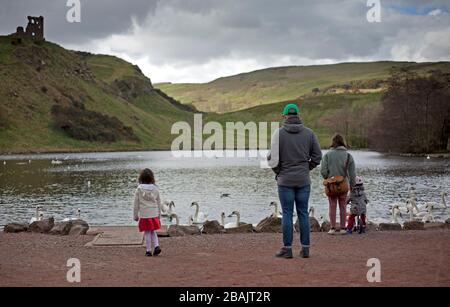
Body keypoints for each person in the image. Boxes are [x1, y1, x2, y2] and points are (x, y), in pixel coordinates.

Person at [268, 103, 322, 259]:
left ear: (285, 116)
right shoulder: (310, 134)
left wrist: (279, 172)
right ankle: (305, 249)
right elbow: (317, 157)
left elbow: (272, 160)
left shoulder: (278, 134)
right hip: (303, 180)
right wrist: (306, 169)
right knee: (303, 213)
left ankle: (287, 249)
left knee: (286, 214)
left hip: (285, 181)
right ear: (298, 115)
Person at [320, 134, 356, 235]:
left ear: (333, 142)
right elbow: (353, 174)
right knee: (343, 206)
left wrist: (329, 178)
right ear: (342, 143)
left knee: (332, 205)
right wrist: (352, 186)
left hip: (331, 186)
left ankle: (332, 228)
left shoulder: (327, 155)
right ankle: (343, 228)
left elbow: (323, 171)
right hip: (344, 185)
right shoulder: (349, 156)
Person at [133, 168, 163, 257]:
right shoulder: (155, 189)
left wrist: (135, 215)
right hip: (154, 214)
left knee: (147, 233)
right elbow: (159, 203)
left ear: (141, 178)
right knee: (153, 231)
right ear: (152, 178)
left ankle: (148, 251)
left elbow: (136, 204)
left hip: (144, 215)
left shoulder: (139, 189)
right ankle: (157, 246)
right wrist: (159, 215)